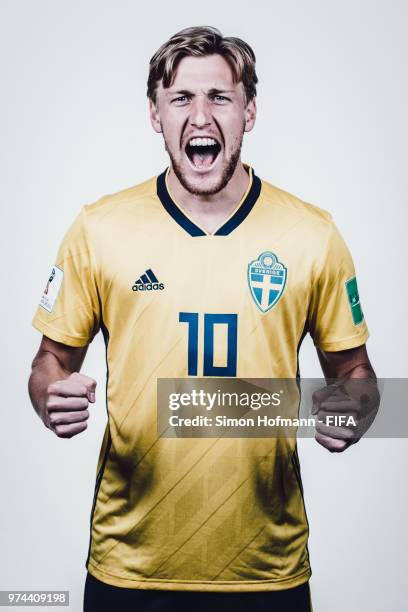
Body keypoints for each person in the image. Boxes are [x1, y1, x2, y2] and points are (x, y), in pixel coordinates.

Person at [28, 26, 378, 612]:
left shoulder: (313, 234)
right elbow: (48, 364)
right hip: (129, 569)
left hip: (268, 571)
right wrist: (48, 397)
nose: (201, 116)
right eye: (181, 98)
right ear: (155, 114)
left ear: (249, 111)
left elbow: (359, 374)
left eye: (219, 97)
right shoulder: (99, 228)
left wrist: (356, 409)